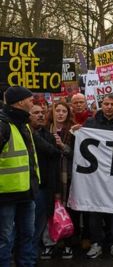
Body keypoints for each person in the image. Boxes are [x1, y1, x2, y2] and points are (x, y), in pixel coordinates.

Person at [71, 94, 113, 259]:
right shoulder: (90, 123)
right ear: (101, 105)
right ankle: (97, 243)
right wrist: (76, 132)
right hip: (95, 176)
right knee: (95, 212)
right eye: (106, 104)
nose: (109, 107)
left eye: (112, 104)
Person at [0, 86, 41, 267]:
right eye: (30, 99)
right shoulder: (2, 125)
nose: (33, 101)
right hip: (5, 195)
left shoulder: (24, 124)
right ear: (19, 102)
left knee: (27, 235)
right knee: (5, 238)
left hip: (27, 192)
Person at [29, 104, 65, 260]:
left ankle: (32, 256)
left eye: (42, 112)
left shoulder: (49, 137)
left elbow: (54, 165)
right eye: (36, 113)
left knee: (38, 226)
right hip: (24, 188)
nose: (41, 115)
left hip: (43, 189)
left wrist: (56, 190)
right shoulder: (21, 134)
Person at [46, 101, 76, 260]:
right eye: (57, 110)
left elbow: (75, 154)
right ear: (53, 112)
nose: (60, 114)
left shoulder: (72, 131)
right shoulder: (45, 129)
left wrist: (62, 145)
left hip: (66, 176)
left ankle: (68, 243)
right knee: (49, 210)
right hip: (49, 176)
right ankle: (49, 243)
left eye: (64, 111)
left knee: (66, 211)